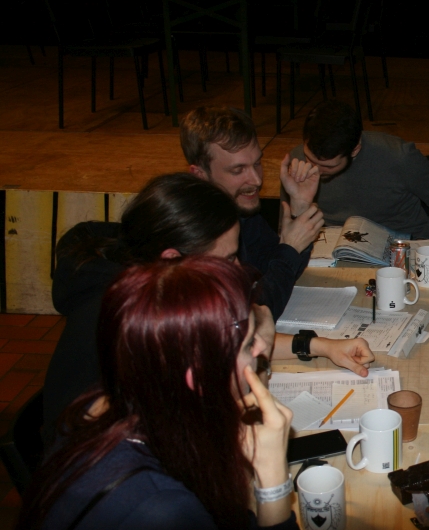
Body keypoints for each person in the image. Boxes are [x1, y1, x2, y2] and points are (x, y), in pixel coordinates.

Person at [1, 257, 353, 530]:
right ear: (197, 376)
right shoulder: (159, 510)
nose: (262, 351)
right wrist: (272, 478)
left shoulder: (111, 407)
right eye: (249, 345)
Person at [43, 173, 374, 447]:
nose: (238, 268)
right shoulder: (132, 321)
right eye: (227, 258)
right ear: (173, 259)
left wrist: (319, 345)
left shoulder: (158, 290)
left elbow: (222, 343)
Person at [181, 106, 325, 319]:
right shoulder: (192, 233)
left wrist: (300, 205)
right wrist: (291, 248)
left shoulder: (241, 210)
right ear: (199, 174)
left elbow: (274, 269)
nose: (256, 180)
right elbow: (250, 313)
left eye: (257, 163)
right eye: (238, 170)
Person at [289, 100, 429, 238]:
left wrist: (424, 244)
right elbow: (286, 231)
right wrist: (299, 204)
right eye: (309, 159)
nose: (316, 170)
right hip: (331, 243)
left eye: (328, 166)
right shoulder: (297, 160)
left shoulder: (399, 157)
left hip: (399, 241)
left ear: (355, 150)